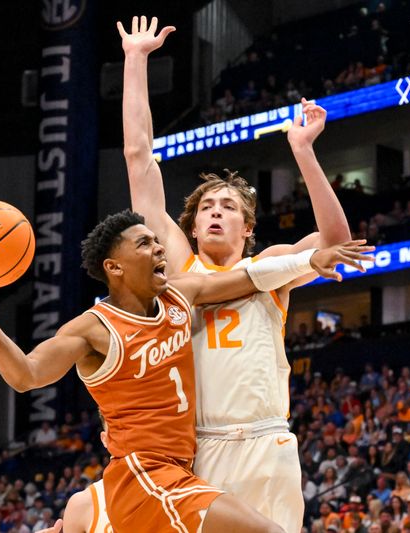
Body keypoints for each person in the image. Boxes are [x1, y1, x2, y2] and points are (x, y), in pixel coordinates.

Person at [0, 211, 365, 533]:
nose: (160, 249)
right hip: (144, 474)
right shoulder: (94, 330)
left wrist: (311, 259)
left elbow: (253, 277)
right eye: (144, 244)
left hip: (184, 468)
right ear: (115, 268)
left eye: (157, 242)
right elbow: (25, 375)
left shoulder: (182, 295)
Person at [118, 16, 357, 533]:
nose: (216, 212)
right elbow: (139, 160)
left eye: (228, 206)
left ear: (247, 228)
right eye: (206, 207)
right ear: (193, 225)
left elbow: (336, 244)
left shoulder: (268, 266)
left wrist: (304, 153)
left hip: (269, 440)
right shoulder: (181, 267)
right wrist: (135, 61)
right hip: (202, 446)